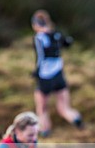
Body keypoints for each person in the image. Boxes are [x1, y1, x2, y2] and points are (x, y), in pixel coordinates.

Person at [31, 9, 83, 137]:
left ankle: (45, 131)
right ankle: (76, 120)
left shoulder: (39, 37)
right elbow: (68, 43)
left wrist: (36, 72)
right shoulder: (56, 35)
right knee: (64, 107)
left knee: (42, 108)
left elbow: (40, 57)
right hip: (59, 75)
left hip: (45, 77)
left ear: (36, 24)